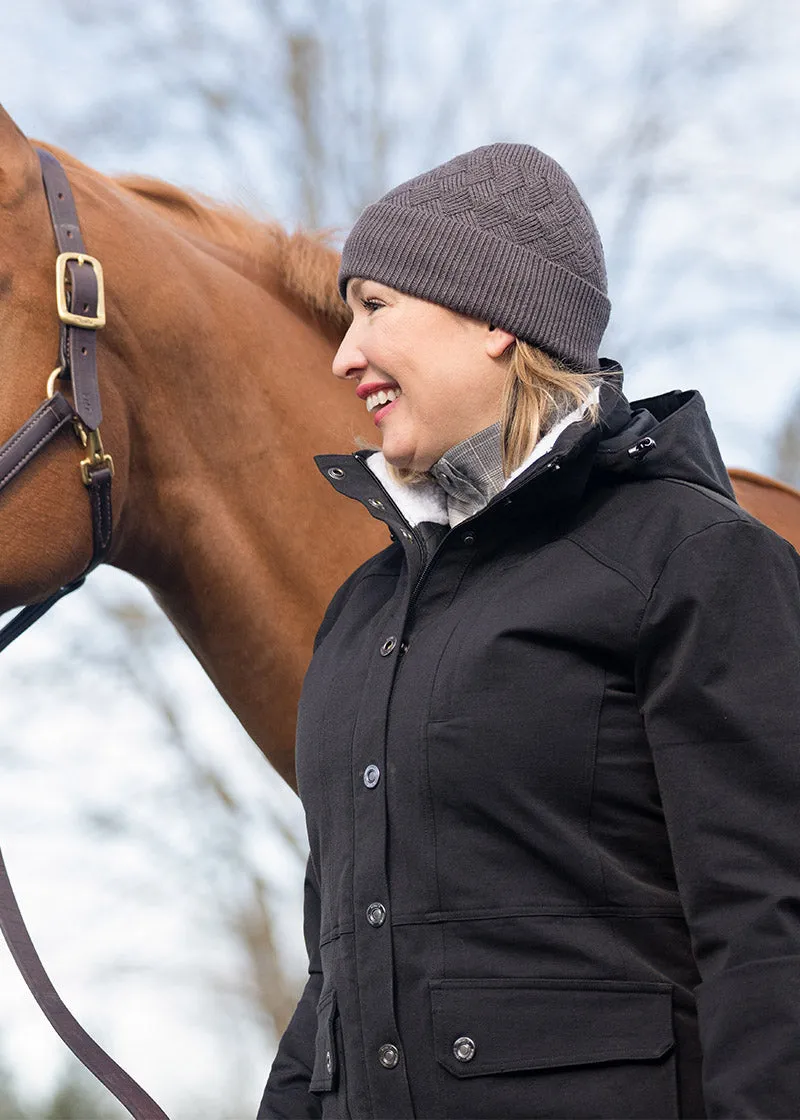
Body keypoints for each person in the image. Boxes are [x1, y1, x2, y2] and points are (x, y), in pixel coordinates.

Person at [258, 143, 800, 1119]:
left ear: (493, 320)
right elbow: (332, 975)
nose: (343, 354)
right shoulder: (358, 617)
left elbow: (768, 933)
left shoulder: (688, 558)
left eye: (374, 306)